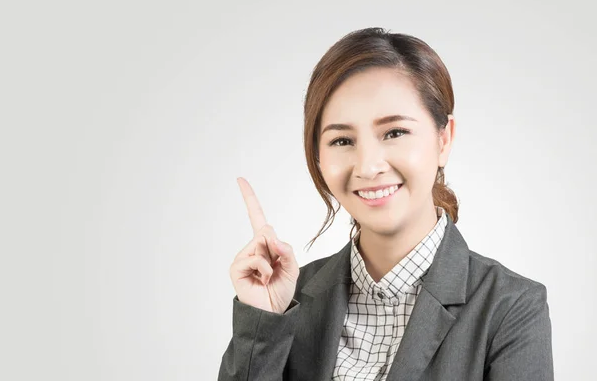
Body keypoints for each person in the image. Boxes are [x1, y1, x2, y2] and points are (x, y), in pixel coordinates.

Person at [218, 28, 554, 381]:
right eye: (342, 140)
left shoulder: (511, 307)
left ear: (444, 139)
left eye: (394, 132)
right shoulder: (289, 301)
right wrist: (263, 324)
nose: (367, 166)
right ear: (317, 156)